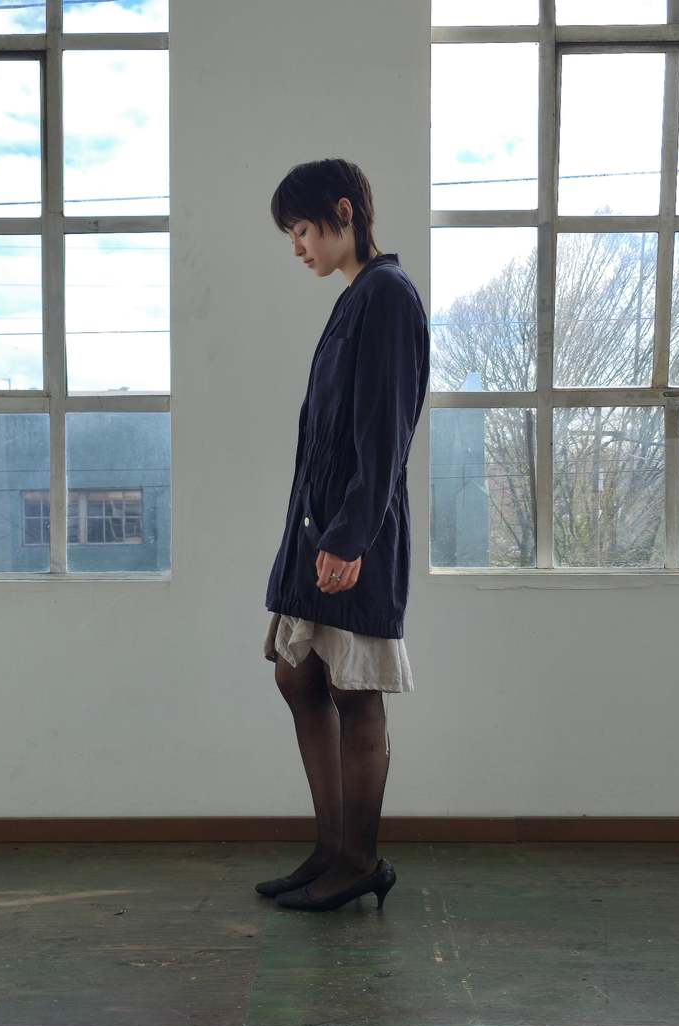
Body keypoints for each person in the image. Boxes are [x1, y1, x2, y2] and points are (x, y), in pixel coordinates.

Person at [258, 158, 430, 911]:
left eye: (302, 229)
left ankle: (359, 859)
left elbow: (385, 432)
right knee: (298, 675)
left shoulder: (387, 296)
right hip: (319, 527)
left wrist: (352, 536)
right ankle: (332, 849)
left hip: (354, 530)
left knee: (354, 690)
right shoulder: (356, 296)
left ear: (343, 212)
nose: (297, 247)